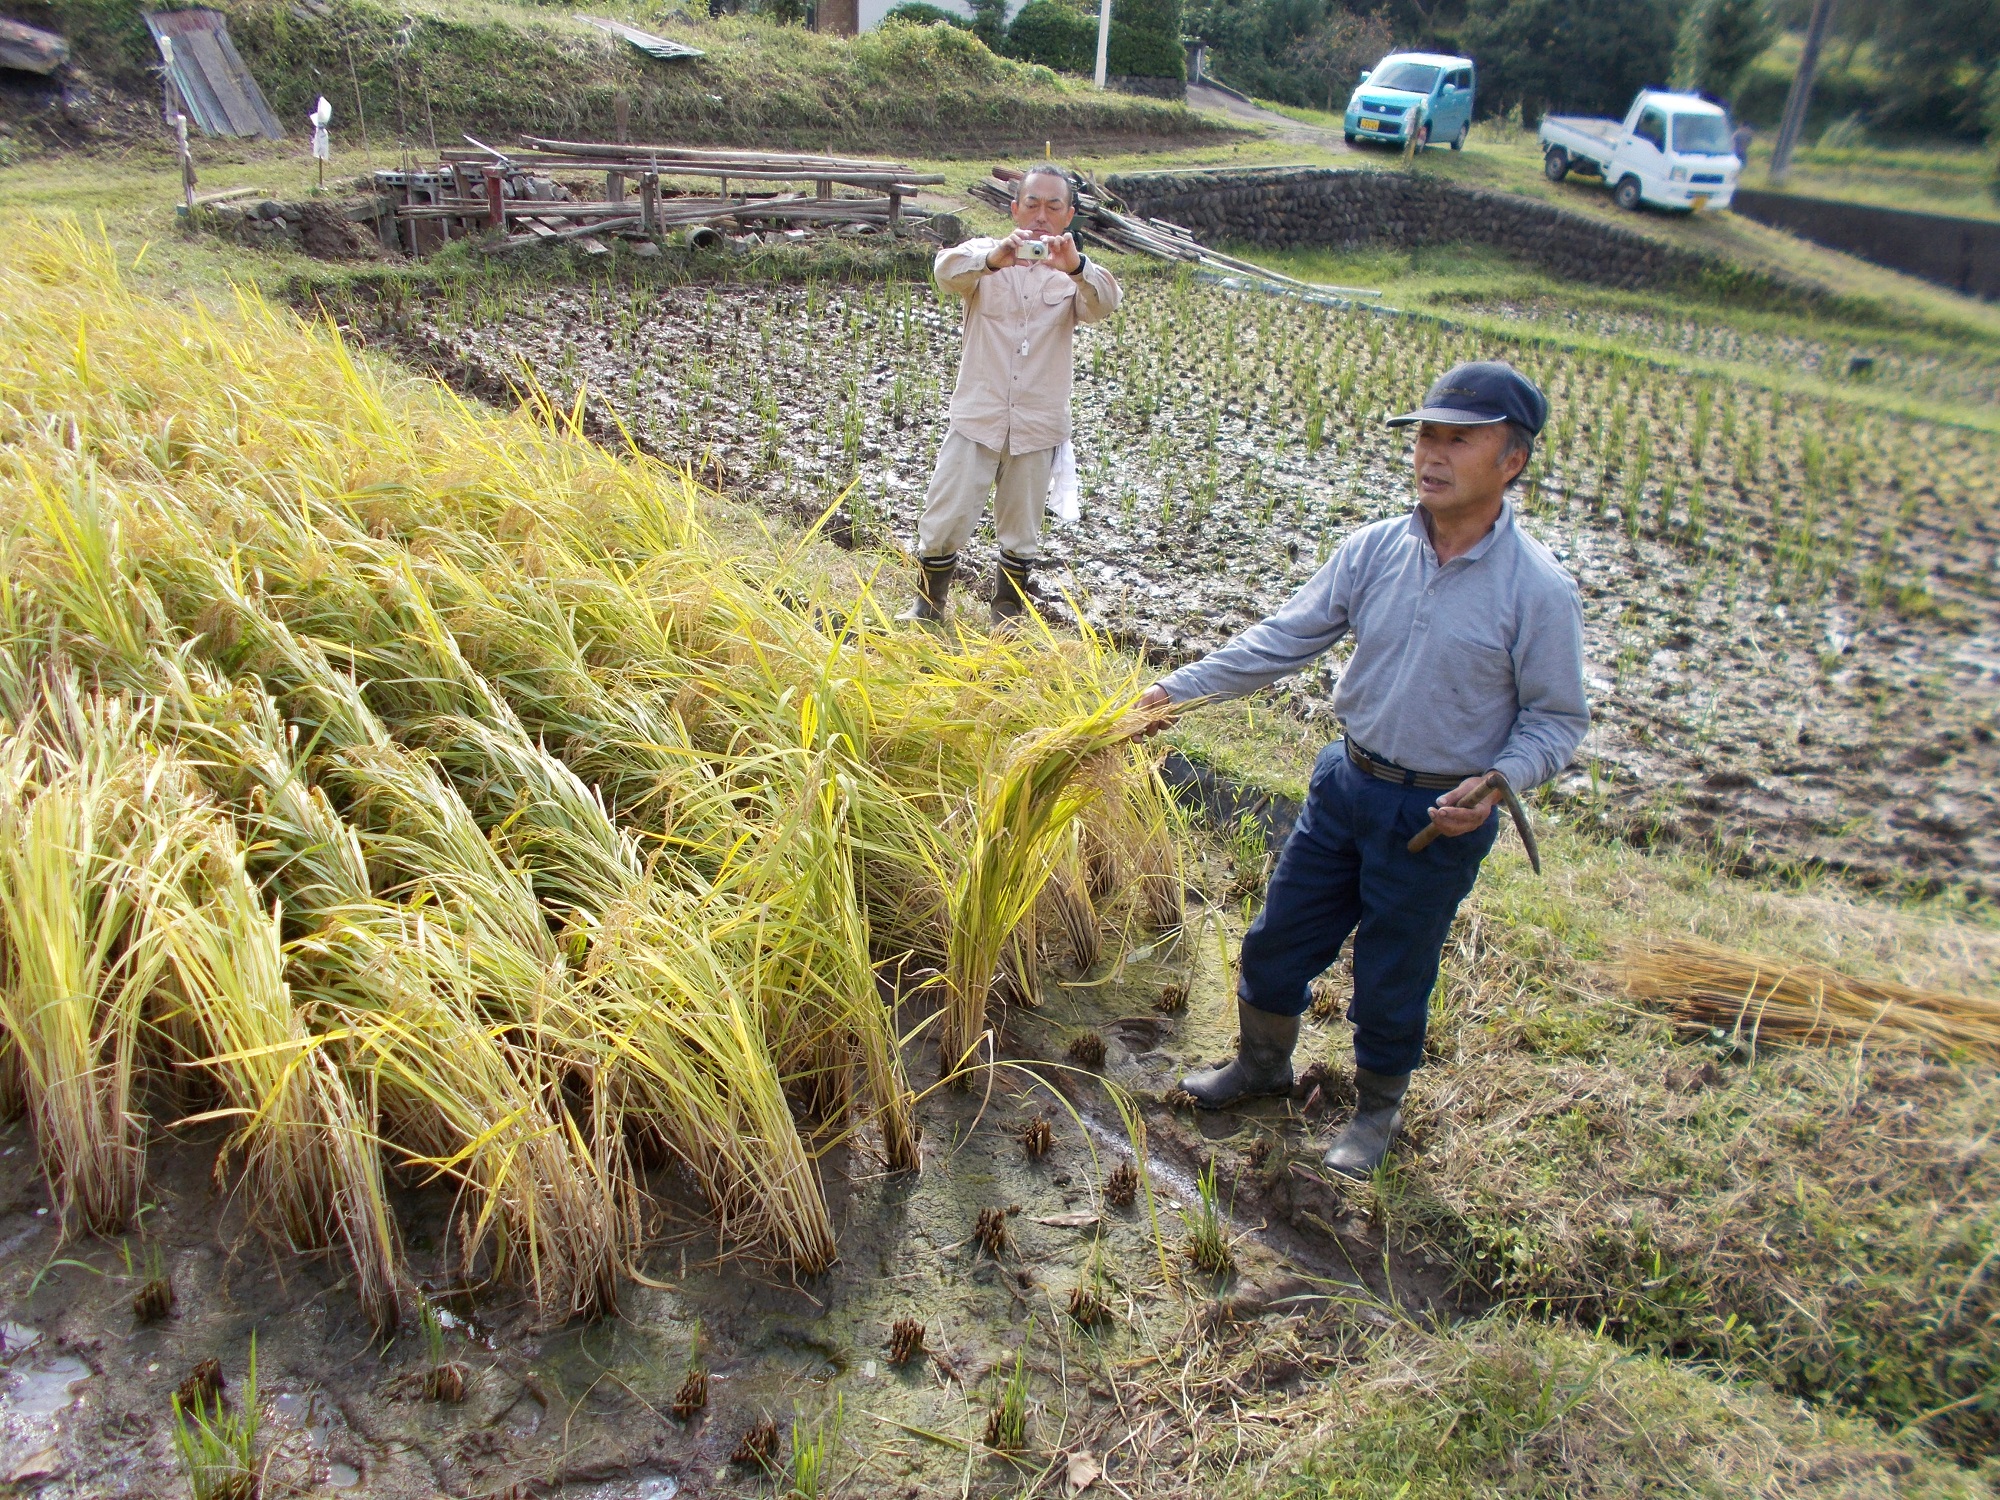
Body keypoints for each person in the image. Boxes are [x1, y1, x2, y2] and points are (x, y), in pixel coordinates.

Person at [1134, 361, 1588, 1178]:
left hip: (1432, 821)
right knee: (1277, 940)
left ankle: (1375, 1112)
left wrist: (1497, 784)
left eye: (1458, 440)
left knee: (1392, 970)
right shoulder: (1374, 550)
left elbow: (1556, 722)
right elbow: (1282, 639)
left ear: (1511, 461)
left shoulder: (1538, 591)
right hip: (1345, 785)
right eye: (1425, 436)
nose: (1433, 455)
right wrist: (1174, 691)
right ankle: (1262, 1066)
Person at [902, 166, 1121, 628]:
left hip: (1038, 424)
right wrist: (995, 260)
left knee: (1021, 531)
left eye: (1053, 207)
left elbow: (1103, 305)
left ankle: (1007, 613)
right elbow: (945, 273)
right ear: (1014, 208)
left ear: (1069, 216)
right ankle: (928, 607)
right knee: (945, 518)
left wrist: (1076, 268)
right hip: (977, 417)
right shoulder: (984, 256)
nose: (1042, 216)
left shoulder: (1076, 273)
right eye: (1033, 204)